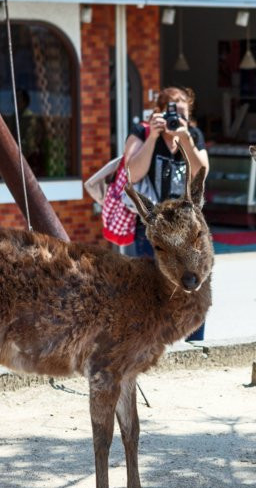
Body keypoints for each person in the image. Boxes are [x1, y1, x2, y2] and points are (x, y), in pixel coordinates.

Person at [86, 87, 209, 340]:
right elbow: (132, 173)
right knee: (151, 289)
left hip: (188, 230)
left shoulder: (192, 135)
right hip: (153, 228)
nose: (177, 120)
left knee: (195, 286)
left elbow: (201, 173)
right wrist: (153, 137)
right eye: (172, 113)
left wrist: (185, 139)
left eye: (183, 114)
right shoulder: (142, 133)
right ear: (158, 113)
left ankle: (194, 344)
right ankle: (150, 342)